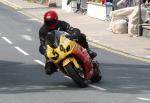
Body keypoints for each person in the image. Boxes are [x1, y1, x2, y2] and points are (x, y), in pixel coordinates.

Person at [39, 10, 97, 75]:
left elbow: (72, 29)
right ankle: (63, 69)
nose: (50, 23)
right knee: (48, 70)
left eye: (52, 21)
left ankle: (88, 50)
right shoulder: (42, 31)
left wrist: (74, 34)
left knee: (81, 35)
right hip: (54, 51)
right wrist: (44, 50)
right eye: (48, 22)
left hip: (66, 43)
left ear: (56, 19)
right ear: (45, 21)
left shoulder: (62, 23)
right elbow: (42, 44)